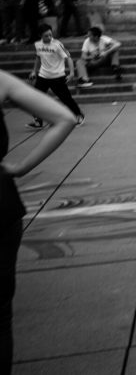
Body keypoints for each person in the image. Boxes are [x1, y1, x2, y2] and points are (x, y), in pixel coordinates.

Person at [0, 70, 76, 375]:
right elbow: (64, 118)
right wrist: (20, 168)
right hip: (1, 206)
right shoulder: (1, 80)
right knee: (0, 316)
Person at [27, 24, 84, 128]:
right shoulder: (37, 44)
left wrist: (71, 73)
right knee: (35, 99)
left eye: (50, 35)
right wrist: (34, 71)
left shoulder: (57, 44)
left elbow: (68, 58)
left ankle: (78, 115)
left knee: (66, 99)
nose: (49, 37)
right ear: (40, 35)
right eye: (46, 36)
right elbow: (38, 58)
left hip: (57, 77)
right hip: (43, 76)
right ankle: (38, 120)